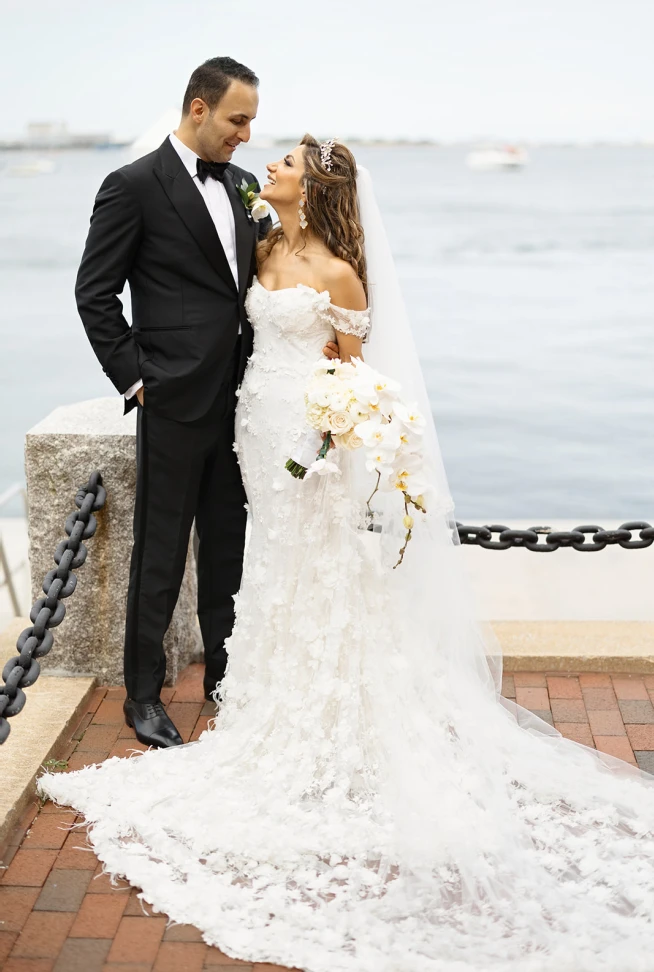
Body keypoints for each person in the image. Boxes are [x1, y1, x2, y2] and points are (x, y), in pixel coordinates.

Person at [41, 136, 654, 971]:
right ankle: (264, 685)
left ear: (314, 186)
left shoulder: (338, 272)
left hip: (306, 433)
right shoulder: (261, 239)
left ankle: (327, 701)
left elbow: (358, 372)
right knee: (268, 565)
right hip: (251, 422)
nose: (270, 163)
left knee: (310, 559)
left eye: (287, 159)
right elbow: (213, 304)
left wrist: (335, 436)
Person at [75, 57, 336, 747]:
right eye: (237, 120)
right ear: (198, 109)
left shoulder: (248, 185)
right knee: (159, 553)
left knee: (230, 544)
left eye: (252, 121)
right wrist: (136, 380)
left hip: (246, 403)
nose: (247, 135)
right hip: (171, 401)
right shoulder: (131, 186)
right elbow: (94, 294)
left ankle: (225, 673)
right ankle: (143, 695)